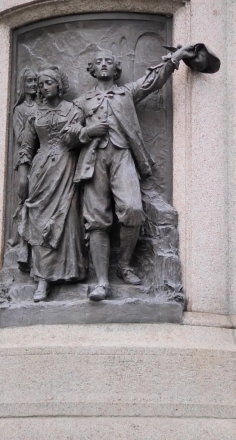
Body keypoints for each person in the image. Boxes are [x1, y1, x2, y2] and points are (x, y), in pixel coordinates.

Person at [74, 45, 198, 301]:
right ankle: (101, 282)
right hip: (93, 161)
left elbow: (151, 81)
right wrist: (88, 131)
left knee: (132, 210)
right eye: (100, 61)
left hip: (122, 157)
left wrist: (176, 58)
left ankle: (123, 265)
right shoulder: (82, 102)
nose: (105, 63)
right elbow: (67, 133)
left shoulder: (126, 93)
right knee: (97, 221)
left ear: (117, 69)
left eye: (110, 60)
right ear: (93, 70)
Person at [16, 67, 86, 301]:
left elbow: (81, 139)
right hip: (41, 170)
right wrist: (22, 176)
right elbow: (26, 147)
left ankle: (70, 272)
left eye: (48, 82)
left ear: (59, 85)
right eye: (41, 83)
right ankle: (42, 280)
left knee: (66, 219)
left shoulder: (74, 110)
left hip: (66, 167)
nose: (43, 87)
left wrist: (77, 135)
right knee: (40, 222)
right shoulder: (34, 113)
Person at [5, 67, 39, 270]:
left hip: (45, 160)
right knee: (25, 199)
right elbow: (20, 138)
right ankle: (18, 243)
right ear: (23, 85)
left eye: (36, 81)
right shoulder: (20, 110)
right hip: (27, 158)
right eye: (30, 82)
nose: (34, 85)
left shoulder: (44, 105)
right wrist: (33, 126)